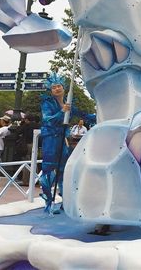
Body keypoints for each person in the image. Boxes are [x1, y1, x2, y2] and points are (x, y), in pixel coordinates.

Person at [40, 73, 92, 212]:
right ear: (50, 90)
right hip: (51, 138)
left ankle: (65, 201)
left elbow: (84, 115)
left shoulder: (68, 103)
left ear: (63, 88)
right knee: (49, 169)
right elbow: (47, 119)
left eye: (59, 86)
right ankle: (48, 203)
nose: (57, 89)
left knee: (64, 170)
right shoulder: (47, 103)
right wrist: (61, 112)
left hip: (63, 138)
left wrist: (101, 112)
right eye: (54, 87)